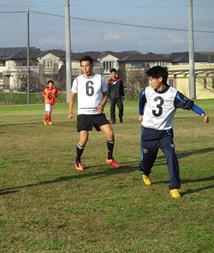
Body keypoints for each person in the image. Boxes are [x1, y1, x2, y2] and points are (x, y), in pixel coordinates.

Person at [138, 66, 209, 198]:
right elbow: (141, 98)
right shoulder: (148, 91)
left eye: (151, 79)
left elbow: (190, 104)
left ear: (160, 79)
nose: (149, 82)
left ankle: (174, 187)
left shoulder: (173, 95)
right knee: (147, 161)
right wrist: (141, 113)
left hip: (165, 133)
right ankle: (145, 172)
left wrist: (202, 113)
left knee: (171, 156)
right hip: (148, 132)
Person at [68, 56, 121, 171]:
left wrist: (102, 104)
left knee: (110, 133)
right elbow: (72, 95)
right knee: (84, 138)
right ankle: (77, 161)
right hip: (83, 113)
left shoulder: (100, 78)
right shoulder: (77, 80)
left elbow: (106, 94)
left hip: (97, 113)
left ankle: (110, 158)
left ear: (91, 66)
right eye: (82, 66)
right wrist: (70, 110)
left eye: (87, 66)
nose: (85, 68)